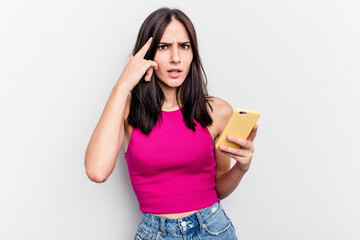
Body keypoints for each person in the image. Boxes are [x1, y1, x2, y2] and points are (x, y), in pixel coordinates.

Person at [84, 7, 258, 240]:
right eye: (164, 47)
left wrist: (242, 168)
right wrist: (122, 86)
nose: (175, 58)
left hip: (213, 230)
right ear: (146, 54)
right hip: (154, 233)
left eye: (184, 46)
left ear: (193, 53)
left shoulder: (217, 111)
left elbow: (218, 189)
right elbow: (97, 172)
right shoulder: (127, 111)